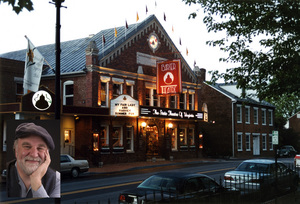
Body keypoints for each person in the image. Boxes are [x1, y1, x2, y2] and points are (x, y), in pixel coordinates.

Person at [7, 123, 60, 198]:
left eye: (40, 148)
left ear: (47, 155)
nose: (34, 154)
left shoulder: (56, 179)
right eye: (27, 147)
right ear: (16, 151)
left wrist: (36, 181)